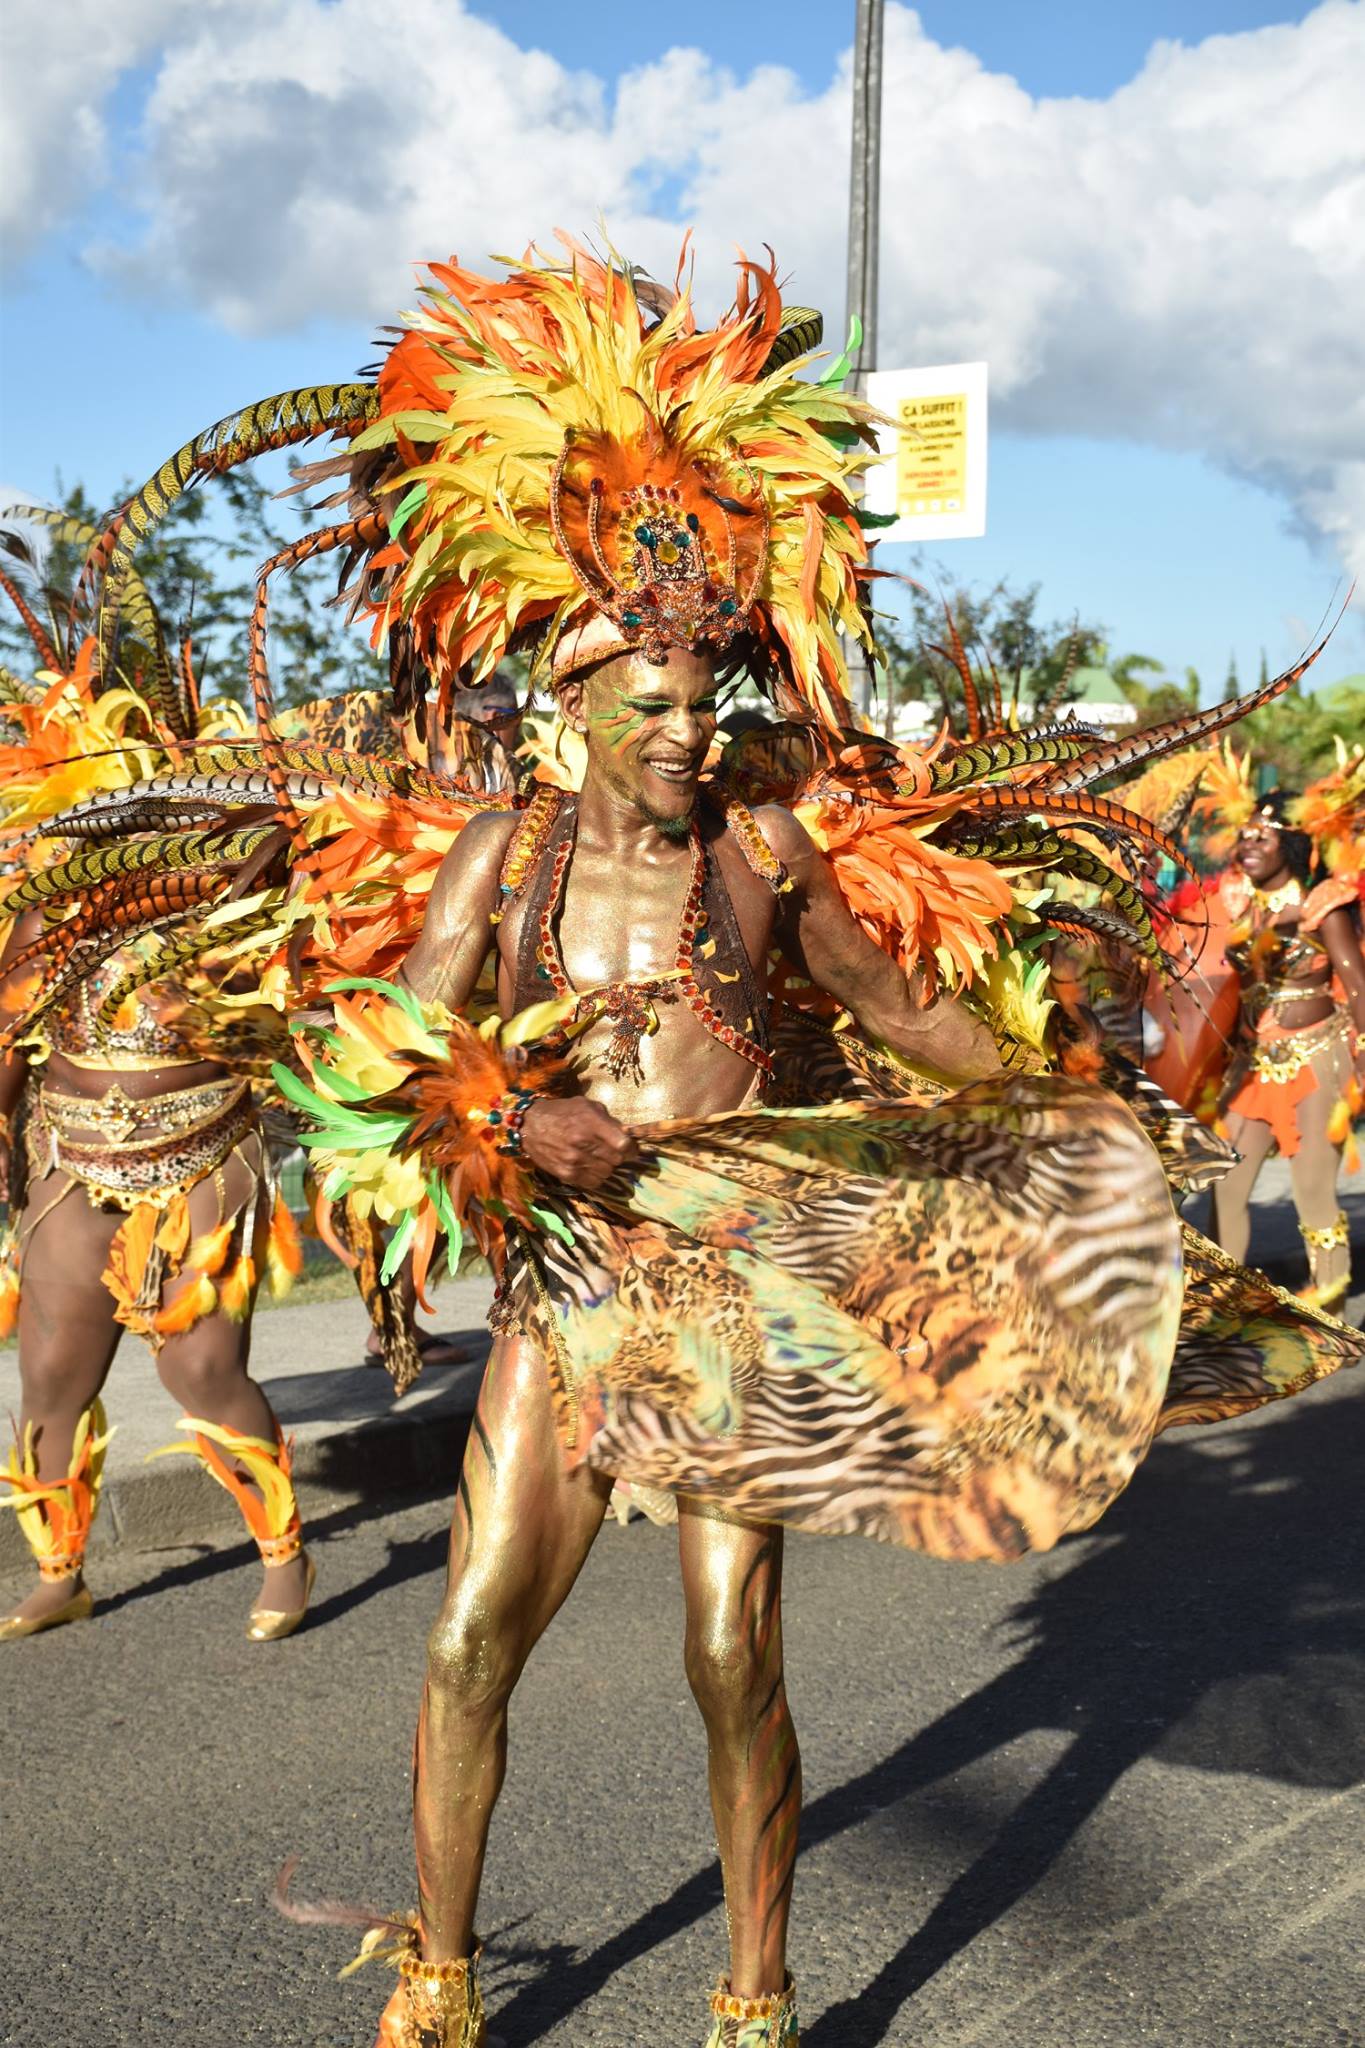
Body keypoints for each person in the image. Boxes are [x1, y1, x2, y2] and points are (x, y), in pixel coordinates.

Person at [77, 238, 1362, 2046]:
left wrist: (1057, 1089)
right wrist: (509, 1110)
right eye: (656, 705)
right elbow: (363, 1046)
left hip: (733, 1300)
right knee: (469, 1638)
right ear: (579, 703)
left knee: (726, 1650)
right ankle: (440, 1976)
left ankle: (756, 1995)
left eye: (712, 701)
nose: (692, 732)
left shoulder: (764, 851)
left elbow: (898, 1010)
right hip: (560, 1296)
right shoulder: (502, 856)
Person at [0, 534, 311, 1642]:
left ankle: (281, 1553)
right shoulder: (47, 906)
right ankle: (60, 1569)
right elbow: (10, 1030)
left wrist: (213, 999)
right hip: (72, 1152)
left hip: (201, 1153)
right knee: (51, 1374)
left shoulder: (232, 894)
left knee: (203, 1367)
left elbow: (290, 1022)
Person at [1207, 788, 1365, 1309]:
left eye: (1264, 837)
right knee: (1226, 1183)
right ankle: (1224, 1300)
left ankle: (1330, 1306)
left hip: (1317, 1058)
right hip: (1252, 1062)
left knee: (1312, 1190)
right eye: (1245, 835)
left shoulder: (1323, 905)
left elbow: (1358, 986)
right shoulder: (1237, 900)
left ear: (1293, 845)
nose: (1248, 845)